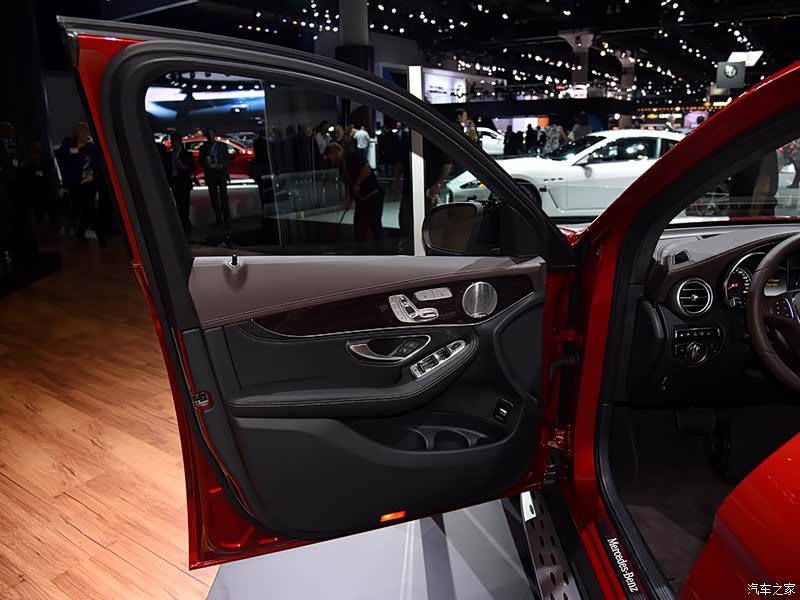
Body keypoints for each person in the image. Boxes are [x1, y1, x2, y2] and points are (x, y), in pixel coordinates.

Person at [324, 141, 383, 245]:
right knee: (359, 226)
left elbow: (366, 168)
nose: (331, 159)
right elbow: (347, 183)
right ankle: (360, 248)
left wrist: (358, 183)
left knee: (374, 223)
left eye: (331, 156)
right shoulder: (341, 166)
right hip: (360, 198)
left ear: (335, 151)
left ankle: (380, 248)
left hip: (373, 194)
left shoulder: (353, 155)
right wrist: (348, 199)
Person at [724, 150, 780, 217]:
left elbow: (763, 185)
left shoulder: (758, 150)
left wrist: (752, 215)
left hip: (749, 211)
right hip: (746, 208)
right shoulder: (757, 150)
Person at [198, 128, 231, 226]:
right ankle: (218, 218)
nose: (210, 136)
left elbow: (227, 158)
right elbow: (200, 161)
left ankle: (227, 219)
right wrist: (205, 162)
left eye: (212, 134)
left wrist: (223, 165)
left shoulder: (222, 146)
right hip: (211, 174)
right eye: (208, 135)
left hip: (221, 173)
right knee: (214, 197)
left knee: (224, 197)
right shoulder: (203, 148)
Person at [168, 134, 195, 234]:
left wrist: (183, 166)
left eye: (174, 141)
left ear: (179, 142)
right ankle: (182, 223)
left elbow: (191, 168)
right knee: (178, 203)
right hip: (175, 181)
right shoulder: (170, 154)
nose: (173, 143)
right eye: (172, 141)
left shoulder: (186, 154)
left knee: (185, 203)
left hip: (184, 182)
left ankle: (186, 223)